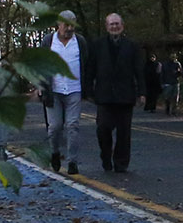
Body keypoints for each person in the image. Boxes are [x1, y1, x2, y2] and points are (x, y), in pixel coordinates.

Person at [89, 13, 142, 173]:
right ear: (106, 27)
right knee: (103, 128)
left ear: (122, 26)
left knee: (124, 132)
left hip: (125, 96)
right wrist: (88, 90)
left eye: (117, 24)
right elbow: (90, 68)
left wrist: (143, 92)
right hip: (104, 96)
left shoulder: (132, 46)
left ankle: (121, 163)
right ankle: (106, 156)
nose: (114, 27)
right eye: (111, 24)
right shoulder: (97, 45)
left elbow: (139, 70)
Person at [40, 10, 87, 174]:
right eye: (66, 24)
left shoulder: (80, 42)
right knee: (55, 126)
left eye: (72, 25)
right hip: (54, 90)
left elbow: (86, 63)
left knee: (73, 125)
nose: (69, 28)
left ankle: (72, 161)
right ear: (58, 25)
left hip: (74, 89)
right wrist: (41, 85)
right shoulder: (48, 41)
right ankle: (54, 152)